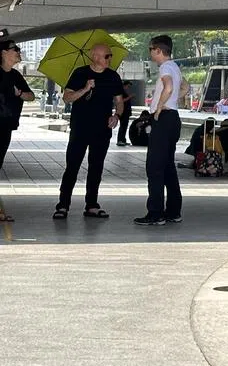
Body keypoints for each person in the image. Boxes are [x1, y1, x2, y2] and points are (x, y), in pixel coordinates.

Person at [54, 43, 124, 220]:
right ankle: (63, 205)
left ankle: (92, 205)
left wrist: (117, 116)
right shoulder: (80, 73)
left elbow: (119, 101)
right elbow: (67, 98)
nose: (110, 59)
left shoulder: (113, 76)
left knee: (96, 167)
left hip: (102, 130)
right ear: (95, 57)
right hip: (80, 128)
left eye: (110, 56)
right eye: (107, 56)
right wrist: (85, 89)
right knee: (72, 166)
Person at [135, 35, 184, 226]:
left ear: (158, 50)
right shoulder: (175, 67)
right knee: (168, 167)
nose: (150, 54)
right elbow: (185, 88)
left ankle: (155, 213)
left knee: (154, 167)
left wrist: (159, 108)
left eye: (150, 50)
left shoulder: (165, 67)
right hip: (174, 118)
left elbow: (169, 87)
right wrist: (171, 103)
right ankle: (173, 211)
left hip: (163, 119)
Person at [0, 40, 34, 172]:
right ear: (3, 53)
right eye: (15, 49)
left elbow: (31, 96)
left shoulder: (15, 76)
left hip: (7, 125)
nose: (19, 51)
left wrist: (20, 94)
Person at [116, 79, 135, 147]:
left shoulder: (124, 92)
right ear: (125, 85)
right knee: (123, 126)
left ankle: (123, 139)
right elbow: (121, 101)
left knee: (124, 126)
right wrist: (130, 97)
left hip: (126, 111)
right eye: (128, 86)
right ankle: (120, 140)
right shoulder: (121, 92)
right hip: (123, 111)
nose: (128, 88)